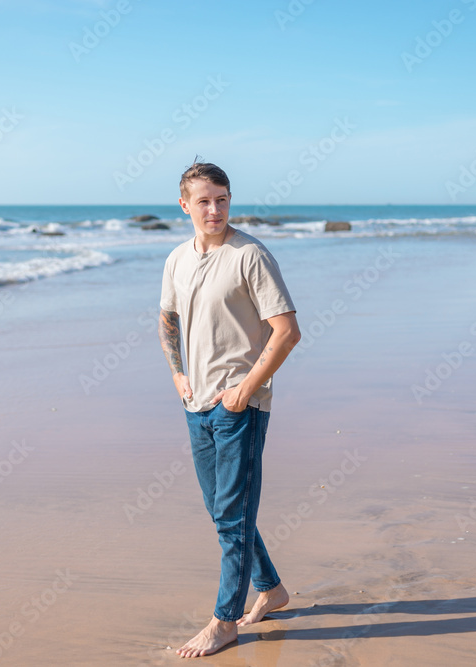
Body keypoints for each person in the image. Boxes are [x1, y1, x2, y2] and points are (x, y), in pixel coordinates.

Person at [158, 162, 301, 658]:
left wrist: (244, 391)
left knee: (229, 513)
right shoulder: (177, 258)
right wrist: (177, 373)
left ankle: (224, 621)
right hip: (195, 404)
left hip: (240, 406)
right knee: (225, 513)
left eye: (221, 199)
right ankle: (272, 589)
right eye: (203, 201)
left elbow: (287, 331)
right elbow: (168, 319)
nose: (214, 209)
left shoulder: (250, 256)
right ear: (185, 205)